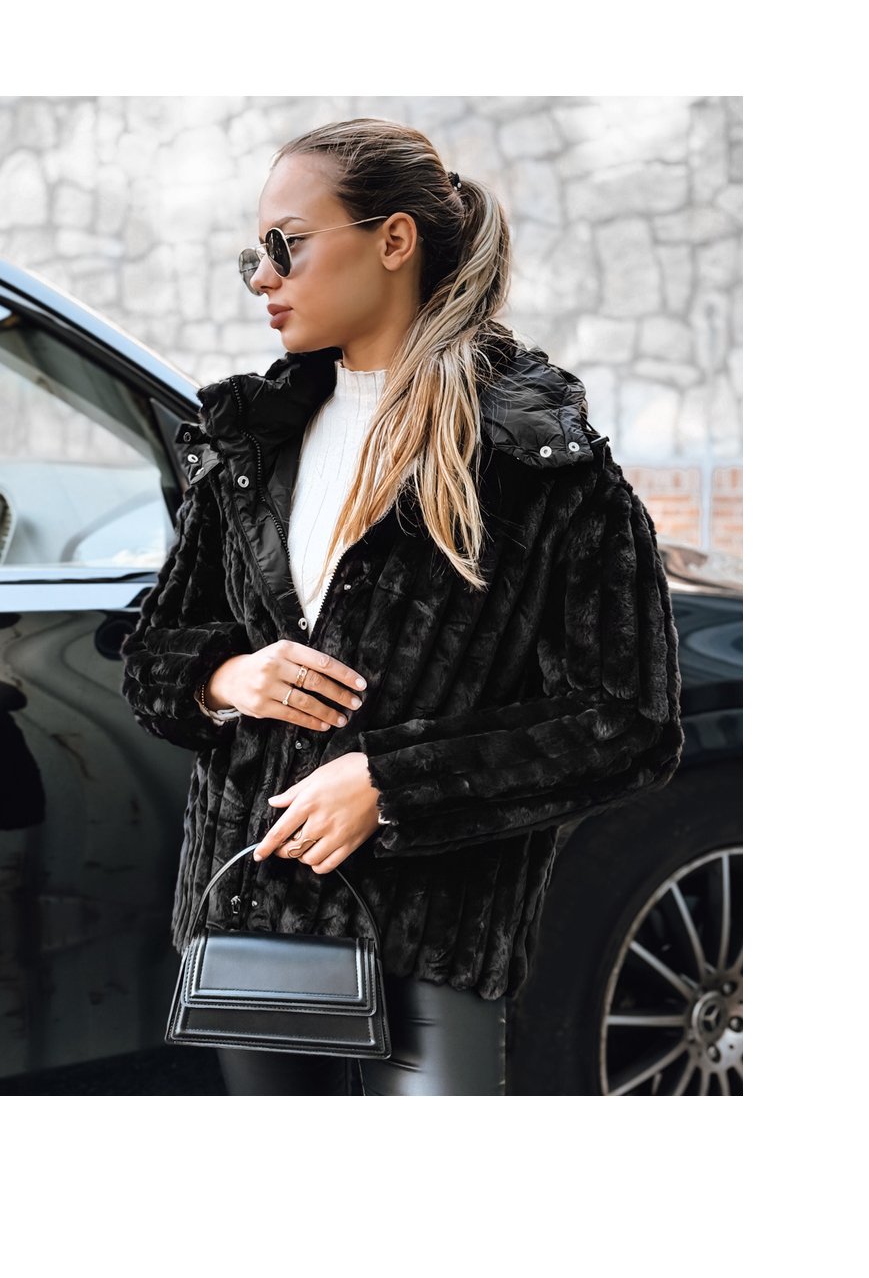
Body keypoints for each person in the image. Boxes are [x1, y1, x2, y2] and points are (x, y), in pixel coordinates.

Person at [120, 118, 684, 1096]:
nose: (262, 276)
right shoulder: (250, 440)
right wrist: (226, 676)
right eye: (254, 253)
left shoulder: (536, 462)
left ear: (393, 241)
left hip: (432, 939)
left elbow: (626, 720)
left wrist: (393, 783)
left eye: (287, 243)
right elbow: (151, 650)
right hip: (253, 923)